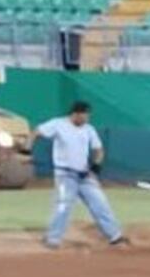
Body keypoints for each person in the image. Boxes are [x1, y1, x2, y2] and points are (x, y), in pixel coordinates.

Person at [35, 101, 128, 249]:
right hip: (65, 175)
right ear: (75, 114)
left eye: (88, 116)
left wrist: (96, 166)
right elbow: (37, 132)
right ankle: (53, 239)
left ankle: (115, 236)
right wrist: (27, 149)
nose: (87, 119)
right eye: (85, 115)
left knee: (100, 203)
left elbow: (99, 150)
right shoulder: (58, 124)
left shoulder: (88, 129)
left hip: (85, 176)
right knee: (63, 205)